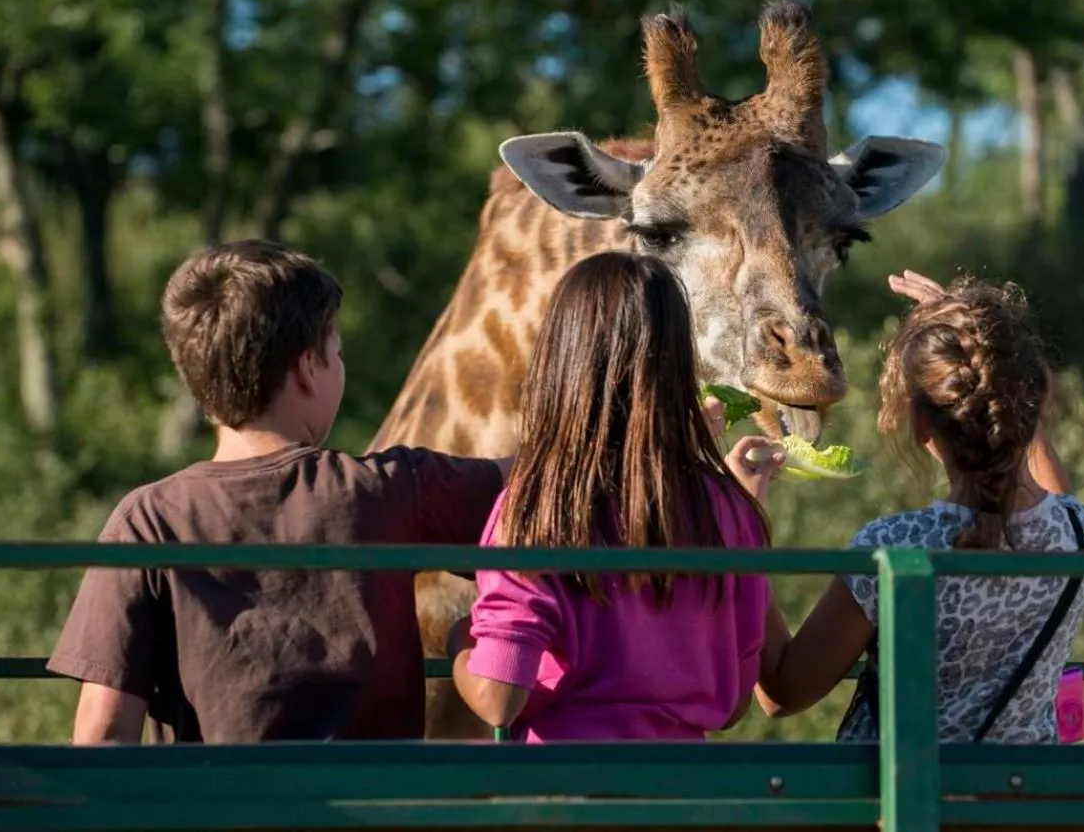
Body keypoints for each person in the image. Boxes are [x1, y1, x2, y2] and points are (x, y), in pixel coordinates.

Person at [46, 240, 514, 744]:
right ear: (308, 368)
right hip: (372, 795)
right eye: (337, 354)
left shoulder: (146, 521)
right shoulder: (393, 489)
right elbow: (545, 481)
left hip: (214, 795)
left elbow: (102, 732)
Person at [444, 252, 784, 740]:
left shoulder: (535, 508)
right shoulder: (732, 511)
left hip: (568, 781)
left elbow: (498, 698)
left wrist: (461, 644)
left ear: (560, 362)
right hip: (689, 783)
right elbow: (732, 704)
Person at [752, 271, 1084, 743]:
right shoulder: (1077, 534)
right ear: (1031, 403)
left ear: (920, 425)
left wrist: (744, 529)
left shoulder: (894, 550)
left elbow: (783, 691)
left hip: (903, 791)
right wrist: (986, 354)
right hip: (1021, 791)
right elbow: (1050, 484)